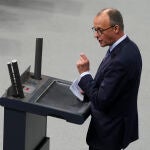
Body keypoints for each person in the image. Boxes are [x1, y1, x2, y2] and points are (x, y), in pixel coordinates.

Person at [76, 8, 142, 150]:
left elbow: (101, 101)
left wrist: (85, 75)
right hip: (115, 126)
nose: (96, 35)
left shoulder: (121, 60)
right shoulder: (128, 47)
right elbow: (111, 84)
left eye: (100, 30)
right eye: (95, 29)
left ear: (116, 28)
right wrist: (88, 88)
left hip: (109, 134)